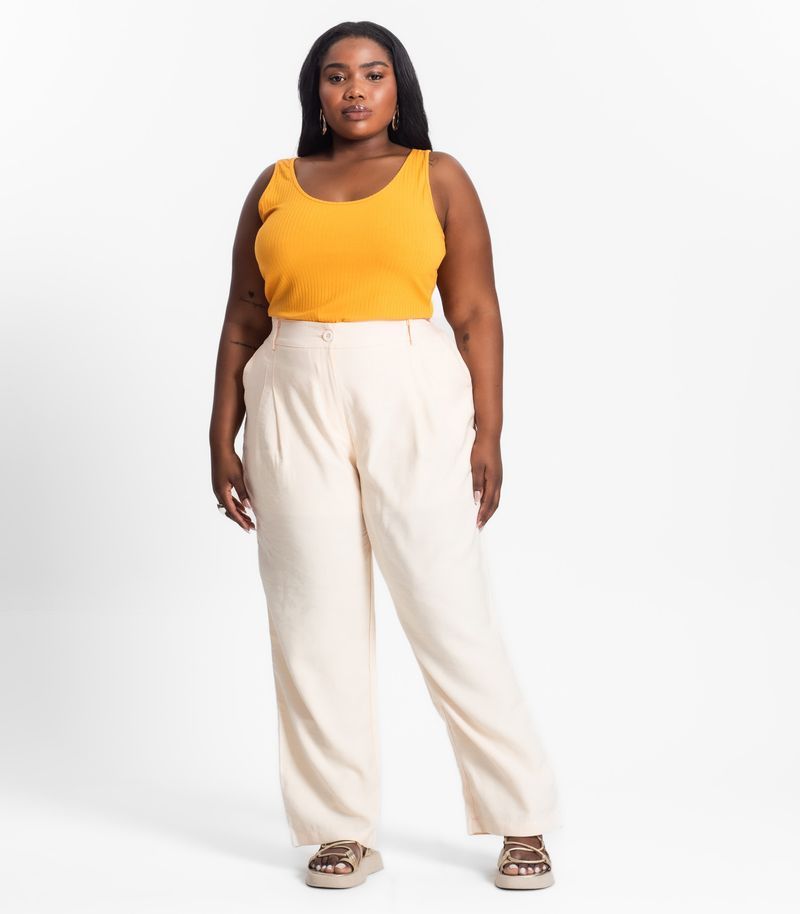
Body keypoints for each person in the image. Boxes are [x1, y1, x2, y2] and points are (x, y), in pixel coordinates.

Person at [209, 21, 562, 891]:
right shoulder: (275, 185)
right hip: (290, 387)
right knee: (311, 617)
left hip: (409, 387)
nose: (355, 90)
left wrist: (490, 431)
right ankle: (339, 828)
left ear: (399, 86)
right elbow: (244, 315)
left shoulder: (436, 177)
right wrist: (221, 428)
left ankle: (521, 818)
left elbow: (474, 312)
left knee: (449, 608)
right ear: (315, 93)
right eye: (336, 76)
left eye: (373, 73)